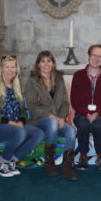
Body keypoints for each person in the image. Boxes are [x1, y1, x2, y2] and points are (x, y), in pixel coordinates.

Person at [0, 55, 44, 177]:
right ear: (1, 68)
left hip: (15, 125)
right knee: (20, 133)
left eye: (13, 67)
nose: (10, 70)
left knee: (38, 134)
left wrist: (21, 121)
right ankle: (0, 164)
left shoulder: (17, 85)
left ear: (16, 69)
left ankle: (10, 162)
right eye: (7, 67)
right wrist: (10, 123)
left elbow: (23, 111)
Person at [25, 51, 78, 181]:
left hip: (58, 119)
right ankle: (49, 163)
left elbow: (65, 103)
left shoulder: (59, 79)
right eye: (43, 61)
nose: (46, 64)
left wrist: (60, 118)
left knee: (71, 131)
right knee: (53, 123)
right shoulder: (32, 81)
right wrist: (53, 117)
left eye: (49, 61)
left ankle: (67, 168)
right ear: (38, 64)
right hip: (39, 121)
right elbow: (32, 106)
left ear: (53, 63)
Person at [71, 44, 101, 171]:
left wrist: (96, 114)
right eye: (93, 55)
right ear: (88, 56)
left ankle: (100, 157)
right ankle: (83, 156)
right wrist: (86, 113)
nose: (96, 58)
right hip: (81, 113)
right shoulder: (78, 75)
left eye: (99, 56)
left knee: (97, 125)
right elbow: (75, 101)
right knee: (84, 125)